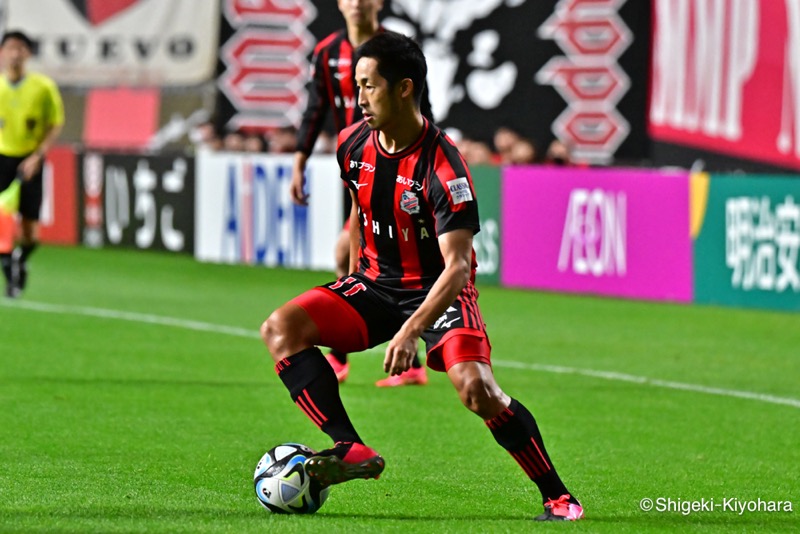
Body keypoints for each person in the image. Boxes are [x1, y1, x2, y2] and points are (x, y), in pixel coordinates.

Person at [261, 31, 584, 521]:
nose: (359, 98)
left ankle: (559, 497)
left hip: (438, 294)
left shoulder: (444, 168)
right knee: (280, 328)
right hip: (372, 285)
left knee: (476, 389)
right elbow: (360, 204)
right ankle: (349, 447)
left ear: (405, 88)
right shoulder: (351, 144)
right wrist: (346, 275)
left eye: (370, 86)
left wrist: (411, 329)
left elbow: (457, 268)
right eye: (357, 86)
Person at [290, 0, 429, 387]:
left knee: (353, 254)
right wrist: (300, 159)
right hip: (355, 168)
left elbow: (422, 108)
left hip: (392, 167)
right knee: (366, 258)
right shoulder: (327, 52)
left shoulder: (398, 51)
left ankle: (340, 355)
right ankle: (408, 360)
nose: (357, 3)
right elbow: (315, 108)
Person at [0, 30, 64, 299]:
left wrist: (38, 155)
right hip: (2, 158)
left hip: (30, 160)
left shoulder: (43, 87)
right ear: (2, 53)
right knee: (1, 226)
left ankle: (20, 258)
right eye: (10, 48)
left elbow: (56, 123)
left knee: (31, 233)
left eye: (20, 48)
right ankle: (11, 276)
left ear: (27, 54)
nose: (15, 53)